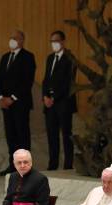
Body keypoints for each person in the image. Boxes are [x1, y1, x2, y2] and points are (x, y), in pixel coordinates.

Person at [0, 30, 36, 176]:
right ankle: (12, 166)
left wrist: (12, 98)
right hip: (6, 105)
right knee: (10, 135)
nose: (12, 40)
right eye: (11, 37)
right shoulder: (6, 57)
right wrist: (1, 97)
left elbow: (27, 81)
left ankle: (25, 167)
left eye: (15, 38)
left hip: (20, 103)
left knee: (22, 135)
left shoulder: (28, 57)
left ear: (22, 40)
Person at [42, 30, 77, 170]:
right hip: (49, 104)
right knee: (52, 134)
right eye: (52, 41)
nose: (54, 44)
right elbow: (46, 79)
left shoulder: (70, 59)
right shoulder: (50, 58)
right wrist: (45, 96)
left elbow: (68, 83)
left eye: (56, 41)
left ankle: (68, 164)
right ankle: (53, 164)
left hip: (64, 103)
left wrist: (54, 98)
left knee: (66, 134)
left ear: (63, 42)